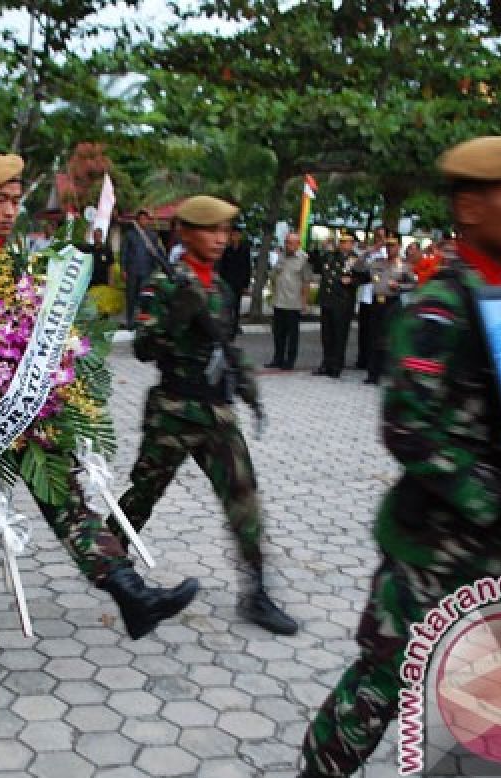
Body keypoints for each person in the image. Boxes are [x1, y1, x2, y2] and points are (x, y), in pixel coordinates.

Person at [290, 135, 501, 778]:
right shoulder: (444, 302)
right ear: (472, 207)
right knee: (388, 669)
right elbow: (408, 427)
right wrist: (488, 497)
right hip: (437, 542)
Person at [0, 154, 198, 651]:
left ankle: (130, 594)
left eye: (15, 201)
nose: (11, 211)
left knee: (67, 499)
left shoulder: (20, 262)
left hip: (28, 411)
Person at [115, 195, 296, 635]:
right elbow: (142, 348)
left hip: (217, 412)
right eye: (210, 230)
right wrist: (178, 316)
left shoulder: (223, 289)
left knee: (243, 498)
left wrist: (246, 381)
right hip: (173, 412)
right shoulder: (164, 285)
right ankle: (109, 565)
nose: (219, 238)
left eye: (224, 231)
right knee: (141, 498)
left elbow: (227, 344)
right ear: (186, 233)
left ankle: (256, 593)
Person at [363, 236, 417, 385]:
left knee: (390, 339)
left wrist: (400, 287)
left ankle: (394, 374)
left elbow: (413, 284)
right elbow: (358, 268)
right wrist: (368, 252)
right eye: (387, 246)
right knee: (374, 338)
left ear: (399, 247)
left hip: (392, 303)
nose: (389, 249)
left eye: (392, 246)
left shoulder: (404, 266)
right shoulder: (377, 263)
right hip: (377, 303)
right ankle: (372, 375)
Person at [312, 232, 361, 378]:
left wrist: (351, 282)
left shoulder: (355, 260)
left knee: (339, 335)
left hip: (343, 302)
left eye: (347, 242)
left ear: (352, 244)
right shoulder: (330, 255)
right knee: (326, 335)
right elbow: (316, 264)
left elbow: (364, 278)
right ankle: (326, 363)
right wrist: (320, 248)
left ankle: (336, 366)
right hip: (327, 300)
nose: (344, 245)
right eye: (342, 242)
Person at [266, 232, 313, 370]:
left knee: (292, 335)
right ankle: (278, 358)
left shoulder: (304, 259)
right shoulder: (281, 256)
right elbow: (273, 276)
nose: (288, 245)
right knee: (278, 333)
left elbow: (306, 282)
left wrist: (304, 303)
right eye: (287, 242)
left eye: (292, 242)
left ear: (298, 244)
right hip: (279, 300)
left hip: (294, 303)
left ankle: (290, 360)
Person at [120, 209, 166, 329]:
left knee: (146, 296)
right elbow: (124, 253)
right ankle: (130, 321)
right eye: (141, 218)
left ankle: (142, 322)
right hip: (132, 271)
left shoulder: (152, 235)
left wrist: (156, 270)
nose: (143, 221)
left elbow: (156, 254)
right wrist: (123, 269)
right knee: (131, 296)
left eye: (146, 219)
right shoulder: (130, 234)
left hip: (147, 271)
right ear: (137, 220)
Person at [354, 225, 387, 370]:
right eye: (377, 236)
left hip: (379, 296)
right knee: (363, 330)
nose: (379, 240)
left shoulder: (387, 254)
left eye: (382, 236)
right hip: (365, 295)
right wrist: (367, 252)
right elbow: (357, 267)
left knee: (376, 331)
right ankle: (362, 359)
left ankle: (375, 362)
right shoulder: (369, 252)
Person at [216, 224, 252, 337]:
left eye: (237, 235)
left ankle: (235, 327)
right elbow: (221, 266)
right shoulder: (227, 249)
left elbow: (247, 267)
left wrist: (246, 284)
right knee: (227, 306)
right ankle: (227, 327)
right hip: (227, 281)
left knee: (236, 306)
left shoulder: (245, 249)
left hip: (239, 282)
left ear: (240, 236)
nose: (235, 237)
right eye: (233, 235)